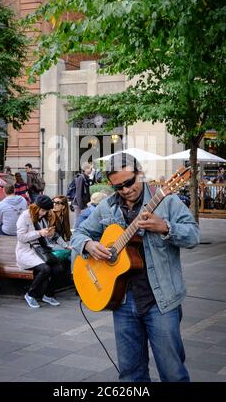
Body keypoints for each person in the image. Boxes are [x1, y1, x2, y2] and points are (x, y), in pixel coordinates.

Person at [71, 153, 200, 382]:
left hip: (161, 300)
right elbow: (79, 234)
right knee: (130, 374)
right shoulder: (107, 207)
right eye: (118, 186)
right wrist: (89, 245)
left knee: (172, 373)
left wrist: (165, 227)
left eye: (129, 182)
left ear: (139, 173)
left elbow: (193, 236)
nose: (126, 190)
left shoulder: (167, 201)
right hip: (122, 300)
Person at [16, 195, 62, 308]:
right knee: (45, 269)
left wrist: (49, 234)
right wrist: (39, 233)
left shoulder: (45, 217)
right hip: (27, 251)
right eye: (42, 210)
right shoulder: (25, 216)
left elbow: (46, 237)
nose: (43, 213)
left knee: (58, 268)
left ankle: (47, 294)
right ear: (35, 207)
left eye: (46, 211)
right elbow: (21, 237)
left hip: (42, 251)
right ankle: (30, 294)